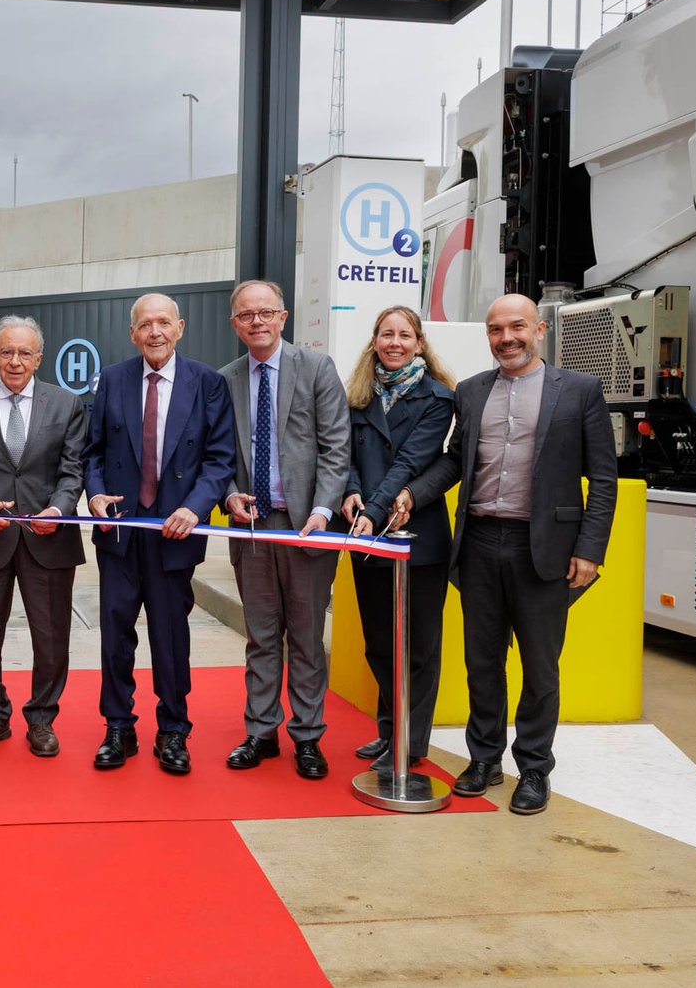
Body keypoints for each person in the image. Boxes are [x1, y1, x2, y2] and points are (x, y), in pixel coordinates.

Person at [402, 293, 616, 814]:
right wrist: (411, 494)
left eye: (517, 327)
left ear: (539, 329)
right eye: (496, 330)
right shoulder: (472, 392)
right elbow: (455, 462)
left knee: (541, 667)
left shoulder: (580, 391)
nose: (506, 338)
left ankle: (536, 769)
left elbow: (604, 479)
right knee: (482, 661)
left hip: (544, 550)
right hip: (477, 542)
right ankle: (484, 759)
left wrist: (589, 550)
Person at [84, 292, 237, 774]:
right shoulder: (111, 380)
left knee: (171, 638)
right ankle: (118, 727)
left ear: (180, 328)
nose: (154, 331)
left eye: (163, 323)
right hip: (121, 531)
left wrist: (196, 509)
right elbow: (92, 452)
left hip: (176, 533)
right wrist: (95, 494)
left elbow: (219, 459)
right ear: (132, 333)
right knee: (115, 636)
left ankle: (173, 730)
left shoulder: (207, 383)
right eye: (145, 324)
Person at [221, 279, 350, 780]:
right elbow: (220, 454)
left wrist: (323, 510)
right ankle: (260, 732)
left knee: (306, 638)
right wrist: (230, 495)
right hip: (252, 530)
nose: (256, 321)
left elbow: (337, 445)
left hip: (306, 529)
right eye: (246, 315)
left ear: (283, 316)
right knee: (260, 635)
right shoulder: (225, 378)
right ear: (235, 324)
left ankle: (308, 737)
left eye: (265, 312)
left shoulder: (316, 369)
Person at [0, 315, 87, 757]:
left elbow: (73, 469)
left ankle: (42, 719)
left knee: (51, 638)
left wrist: (60, 509)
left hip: (49, 540)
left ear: (39, 358)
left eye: (24, 352)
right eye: (6, 351)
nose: (15, 360)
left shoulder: (66, 405)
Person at [337, 306, 457, 774]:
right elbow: (343, 454)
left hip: (417, 540)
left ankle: (410, 744)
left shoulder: (438, 398)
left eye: (405, 335)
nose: (395, 342)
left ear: (419, 343)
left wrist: (372, 509)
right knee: (379, 644)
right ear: (374, 341)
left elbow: (409, 462)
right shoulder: (357, 397)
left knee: (420, 648)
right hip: (365, 538)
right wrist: (349, 491)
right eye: (386, 334)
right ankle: (389, 727)